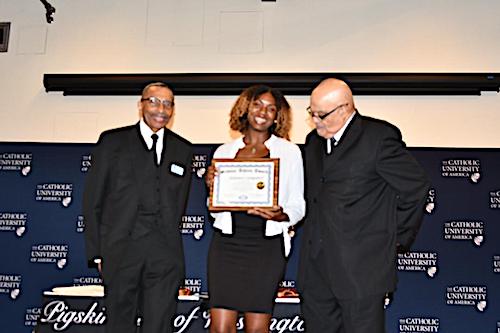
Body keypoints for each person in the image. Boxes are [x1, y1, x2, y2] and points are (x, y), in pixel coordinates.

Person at [297, 78, 430, 333]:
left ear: (345, 109)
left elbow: (416, 187)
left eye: (321, 115)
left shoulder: (378, 138)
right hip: (315, 272)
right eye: (311, 113)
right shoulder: (313, 143)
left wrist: (394, 238)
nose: (315, 121)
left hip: (362, 272)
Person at [82, 82, 193, 333]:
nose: (161, 109)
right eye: (154, 101)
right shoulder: (112, 142)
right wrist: (97, 252)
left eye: (168, 104)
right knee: (120, 324)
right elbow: (92, 200)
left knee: (159, 325)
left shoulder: (183, 149)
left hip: (165, 253)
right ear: (140, 105)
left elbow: (180, 203)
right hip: (121, 249)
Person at [205, 85, 305, 333]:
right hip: (226, 246)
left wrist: (280, 214)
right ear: (246, 107)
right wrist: (211, 190)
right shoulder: (224, 151)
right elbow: (215, 210)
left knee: (257, 329)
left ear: (277, 116)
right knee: (219, 328)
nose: (264, 112)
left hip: (266, 248)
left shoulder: (290, 153)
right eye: (258, 104)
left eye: (271, 108)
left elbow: (298, 206)